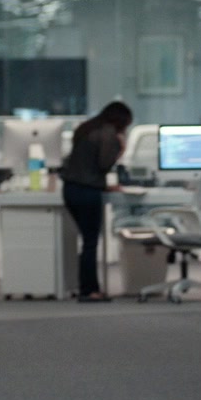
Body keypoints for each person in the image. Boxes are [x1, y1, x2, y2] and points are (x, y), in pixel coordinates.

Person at [58, 100, 132, 303]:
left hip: (71, 189)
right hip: (87, 192)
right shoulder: (108, 133)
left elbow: (84, 165)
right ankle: (89, 290)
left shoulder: (87, 128)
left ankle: (87, 287)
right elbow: (103, 164)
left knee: (87, 241)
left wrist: (104, 186)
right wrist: (121, 148)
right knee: (90, 242)